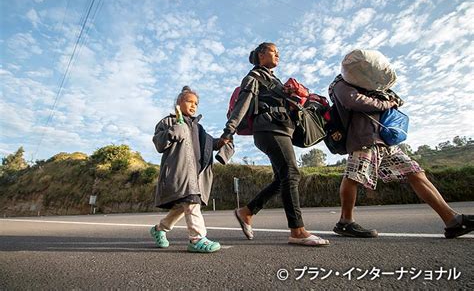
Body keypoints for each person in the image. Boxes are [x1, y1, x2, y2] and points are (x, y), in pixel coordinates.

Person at [329, 75, 474, 239]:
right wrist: (386, 104)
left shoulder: (371, 86)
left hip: (385, 141)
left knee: (415, 172)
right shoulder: (340, 84)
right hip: (364, 139)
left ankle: (452, 220)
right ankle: (345, 222)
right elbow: (353, 101)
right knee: (354, 176)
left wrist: (388, 99)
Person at [219, 42, 329, 246]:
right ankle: (297, 231)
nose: (278, 55)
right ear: (261, 55)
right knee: (292, 173)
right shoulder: (254, 77)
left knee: (282, 179)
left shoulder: (274, 80)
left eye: (279, 52)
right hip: (269, 129)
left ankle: (246, 212)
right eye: (273, 51)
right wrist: (228, 131)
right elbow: (242, 105)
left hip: (282, 129)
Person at [150, 86, 233, 253]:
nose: (194, 105)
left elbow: (209, 144)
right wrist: (177, 128)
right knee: (191, 202)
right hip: (177, 172)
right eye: (189, 101)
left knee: (182, 206)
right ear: (178, 103)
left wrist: (221, 142)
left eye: (196, 103)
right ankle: (197, 239)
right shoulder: (168, 121)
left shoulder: (198, 127)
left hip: (195, 173)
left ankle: (159, 229)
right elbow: (159, 143)